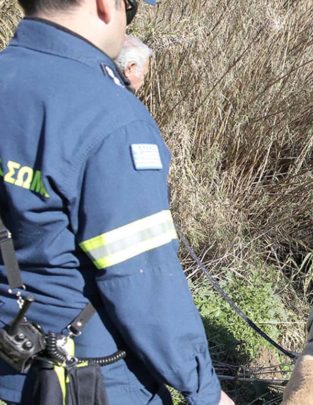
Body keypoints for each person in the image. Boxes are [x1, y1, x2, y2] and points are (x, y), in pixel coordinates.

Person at [0, 0, 233, 404]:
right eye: (132, 6)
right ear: (105, 5)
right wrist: (204, 390)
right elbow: (143, 284)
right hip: (86, 379)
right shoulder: (111, 117)